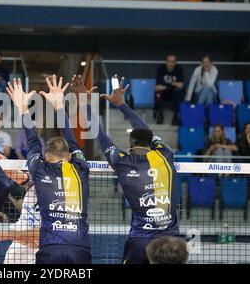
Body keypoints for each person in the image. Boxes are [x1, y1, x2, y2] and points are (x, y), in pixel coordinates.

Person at [71, 74, 179, 264]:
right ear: (151, 142)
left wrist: (84, 103)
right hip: (170, 241)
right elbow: (145, 130)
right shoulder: (165, 154)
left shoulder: (122, 161)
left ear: (131, 144)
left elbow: (100, 134)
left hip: (140, 243)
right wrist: (122, 104)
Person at [7, 76, 92, 264]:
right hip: (79, 248)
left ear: (46, 157)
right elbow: (71, 139)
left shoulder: (39, 170)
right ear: (69, 156)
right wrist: (59, 105)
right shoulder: (81, 168)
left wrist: (22, 107)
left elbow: (32, 140)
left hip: (50, 247)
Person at [154, 54, 184, 125]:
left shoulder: (179, 68)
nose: (171, 63)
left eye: (173, 62)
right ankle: (160, 115)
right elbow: (157, 87)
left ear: (175, 63)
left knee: (178, 92)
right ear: (166, 62)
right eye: (169, 61)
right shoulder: (161, 68)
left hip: (174, 93)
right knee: (158, 92)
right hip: (164, 93)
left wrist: (166, 86)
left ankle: (175, 116)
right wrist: (172, 85)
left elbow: (181, 85)